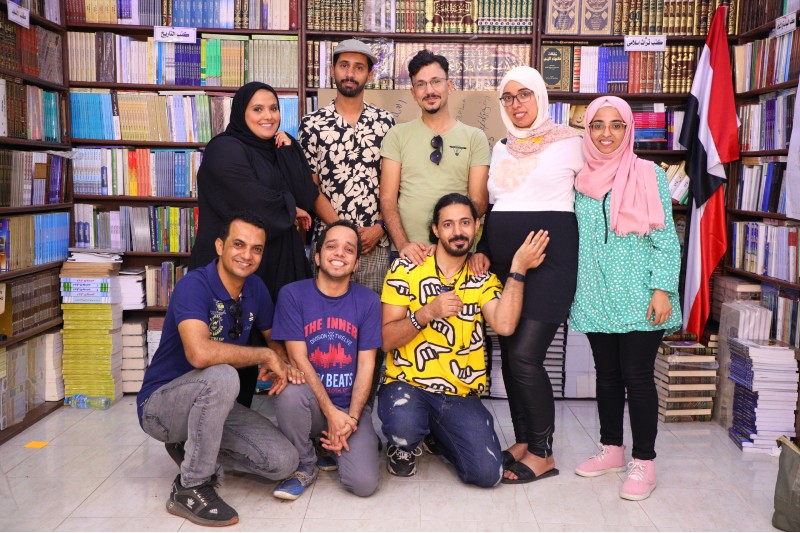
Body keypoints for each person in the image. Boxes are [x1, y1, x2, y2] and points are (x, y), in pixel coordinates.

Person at [137, 212, 303, 527]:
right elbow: (199, 354)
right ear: (219, 246)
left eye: (256, 249)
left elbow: (275, 341)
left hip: (213, 404)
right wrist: (263, 356)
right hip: (160, 406)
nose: (247, 255)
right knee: (223, 375)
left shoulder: (256, 289)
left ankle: (191, 447)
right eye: (238, 244)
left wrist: (284, 364)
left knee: (283, 461)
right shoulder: (193, 285)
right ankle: (191, 486)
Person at [378, 193, 550, 487]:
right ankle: (405, 442)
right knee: (404, 425)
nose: (457, 232)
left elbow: (505, 325)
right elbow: (386, 339)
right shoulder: (407, 268)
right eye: (448, 224)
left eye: (465, 223)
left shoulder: (481, 276)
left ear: (476, 226)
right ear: (435, 229)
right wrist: (428, 312)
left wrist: (518, 268)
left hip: (458, 393)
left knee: (487, 475)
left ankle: (436, 433)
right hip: (409, 383)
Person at [470, 66, 583, 484]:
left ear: (540, 97)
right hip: (504, 265)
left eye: (525, 95)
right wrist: (484, 248)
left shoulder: (572, 142)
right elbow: (496, 205)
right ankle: (523, 440)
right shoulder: (500, 147)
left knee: (524, 357)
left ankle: (542, 453)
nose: (517, 104)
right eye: (509, 97)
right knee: (509, 355)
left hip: (549, 262)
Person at [570, 96, 682, 501]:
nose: (605, 134)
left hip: (641, 293)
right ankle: (612, 450)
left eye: (616, 125)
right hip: (596, 294)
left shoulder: (649, 174)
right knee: (607, 375)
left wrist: (662, 289)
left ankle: (644, 463)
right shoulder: (580, 179)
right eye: (597, 125)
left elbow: (666, 239)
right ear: (587, 130)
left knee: (636, 377)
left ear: (629, 129)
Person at [188, 82, 318, 408]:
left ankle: (292, 422)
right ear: (241, 113)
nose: (267, 116)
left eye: (273, 109)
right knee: (230, 359)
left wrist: (289, 151)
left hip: (274, 266)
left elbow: (306, 194)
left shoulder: (276, 149)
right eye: (257, 109)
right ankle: (214, 430)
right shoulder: (225, 148)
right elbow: (248, 199)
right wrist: (290, 208)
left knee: (287, 350)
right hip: (233, 267)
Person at [271, 220, 382, 500]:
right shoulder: (293, 295)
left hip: (349, 407)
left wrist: (351, 418)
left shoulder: (368, 301)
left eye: (349, 249)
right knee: (290, 392)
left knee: (364, 484)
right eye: (331, 246)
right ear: (317, 257)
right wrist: (331, 414)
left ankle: (332, 446)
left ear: (357, 263)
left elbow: (367, 365)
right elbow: (299, 359)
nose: (339, 253)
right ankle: (304, 463)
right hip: (310, 401)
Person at [298, 39, 396, 295]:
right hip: (329, 244)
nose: (350, 74)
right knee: (325, 323)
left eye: (358, 67)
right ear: (332, 70)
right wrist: (344, 231)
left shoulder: (386, 123)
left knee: (371, 323)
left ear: (370, 74)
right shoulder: (312, 124)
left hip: (374, 244)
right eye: (344, 66)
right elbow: (311, 188)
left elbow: (396, 185)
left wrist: (380, 228)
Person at [379, 49, 490, 265]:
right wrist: (403, 244)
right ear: (413, 93)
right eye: (421, 84)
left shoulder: (475, 137)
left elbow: (479, 201)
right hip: (408, 253)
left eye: (436, 82)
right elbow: (387, 199)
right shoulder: (397, 135)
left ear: (449, 86)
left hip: (457, 252)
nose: (429, 90)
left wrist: (446, 242)